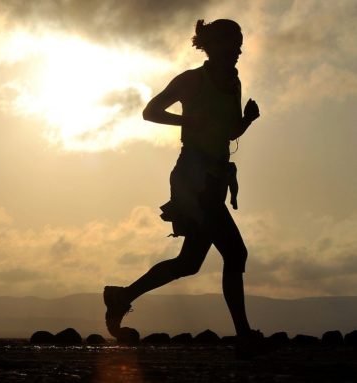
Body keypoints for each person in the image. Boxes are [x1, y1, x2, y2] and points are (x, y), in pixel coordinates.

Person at [104, 19, 261, 340]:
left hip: (215, 179)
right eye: (232, 43)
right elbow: (150, 111)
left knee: (189, 263)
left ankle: (122, 296)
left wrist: (246, 120)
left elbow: (228, 132)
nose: (238, 50)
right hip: (193, 178)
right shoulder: (192, 80)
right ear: (212, 45)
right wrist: (188, 118)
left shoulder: (233, 83)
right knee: (235, 253)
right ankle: (245, 338)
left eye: (240, 43)